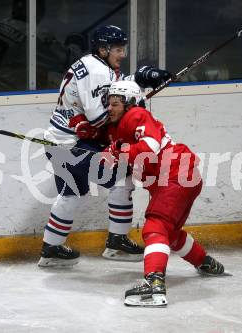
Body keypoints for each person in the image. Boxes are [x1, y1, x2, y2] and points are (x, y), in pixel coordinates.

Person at [38, 25, 172, 267]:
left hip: (58, 143)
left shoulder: (96, 65)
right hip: (74, 147)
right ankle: (117, 243)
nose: (122, 54)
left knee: (72, 192)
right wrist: (135, 103)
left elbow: (112, 91)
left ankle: (51, 248)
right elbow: (100, 116)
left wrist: (142, 77)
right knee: (124, 178)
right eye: (118, 50)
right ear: (103, 49)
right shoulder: (98, 71)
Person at [103, 80, 225, 307]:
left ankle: (154, 285)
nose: (109, 108)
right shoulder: (124, 125)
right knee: (170, 233)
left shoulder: (135, 114)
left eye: (115, 104)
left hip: (174, 175)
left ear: (129, 104)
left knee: (155, 227)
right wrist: (112, 151)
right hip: (181, 176)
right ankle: (205, 262)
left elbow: (149, 148)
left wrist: (117, 150)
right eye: (108, 104)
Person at [0, 0, 86, 91]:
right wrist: (75, 42)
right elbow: (67, 62)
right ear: (38, 9)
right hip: (4, 95)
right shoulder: (35, 36)